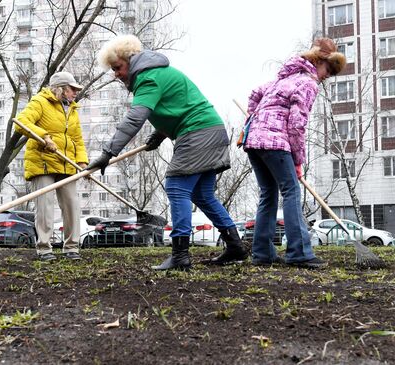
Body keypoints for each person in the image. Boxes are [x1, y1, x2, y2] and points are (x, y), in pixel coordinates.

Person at [87, 34, 247, 270]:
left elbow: (134, 119)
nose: (116, 74)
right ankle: (235, 246)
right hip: (211, 130)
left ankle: (180, 255)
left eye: (118, 67)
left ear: (130, 61)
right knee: (203, 195)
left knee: (176, 185)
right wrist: (160, 133)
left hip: (197, 132)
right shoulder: (158, 73)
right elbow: (177, 105)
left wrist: (108, 152)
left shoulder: (148, 78)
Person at [243, 38, 345, 268]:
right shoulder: (308, 84)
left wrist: (255, 118)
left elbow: (254, 93)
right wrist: (298, 160)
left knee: (268, 194)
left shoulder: (283, 80)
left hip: (254, 141)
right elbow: (297, 125)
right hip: (275, 143)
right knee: (291, 191)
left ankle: (262, 253)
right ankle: (299, 252)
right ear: (318, 61)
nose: (327, 75)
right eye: (328, 69)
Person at [15, 71, 89, 261]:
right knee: (45, 206)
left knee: (72, 204)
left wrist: (82, 162)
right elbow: (21, 122)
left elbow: (77, 139)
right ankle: (44, 248)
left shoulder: (72, 109)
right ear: (62, 89)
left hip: (67, 164)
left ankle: (72, 248)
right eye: (72, 89)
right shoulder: (40, 101)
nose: (75, 93)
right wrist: (44, 137)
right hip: (43, 162)